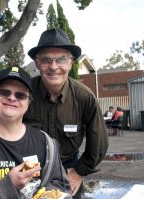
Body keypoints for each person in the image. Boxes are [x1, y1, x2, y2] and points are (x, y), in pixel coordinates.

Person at [0, 66, 71, 199]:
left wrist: (48, 195)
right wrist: (8, 186)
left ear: (29, 102)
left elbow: (61, 184)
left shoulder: (45, 142)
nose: (12, 98)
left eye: (20, 95)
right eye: (4, 92)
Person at [23, 28, 109, 198]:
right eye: (46, 60)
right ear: (37, 63)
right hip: (28, 168)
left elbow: (99, 143)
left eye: (61, 59)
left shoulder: (84, 97)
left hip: (68, 169)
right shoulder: (23, 93)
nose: (54, 67)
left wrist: (78, 172)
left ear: (70, 63)